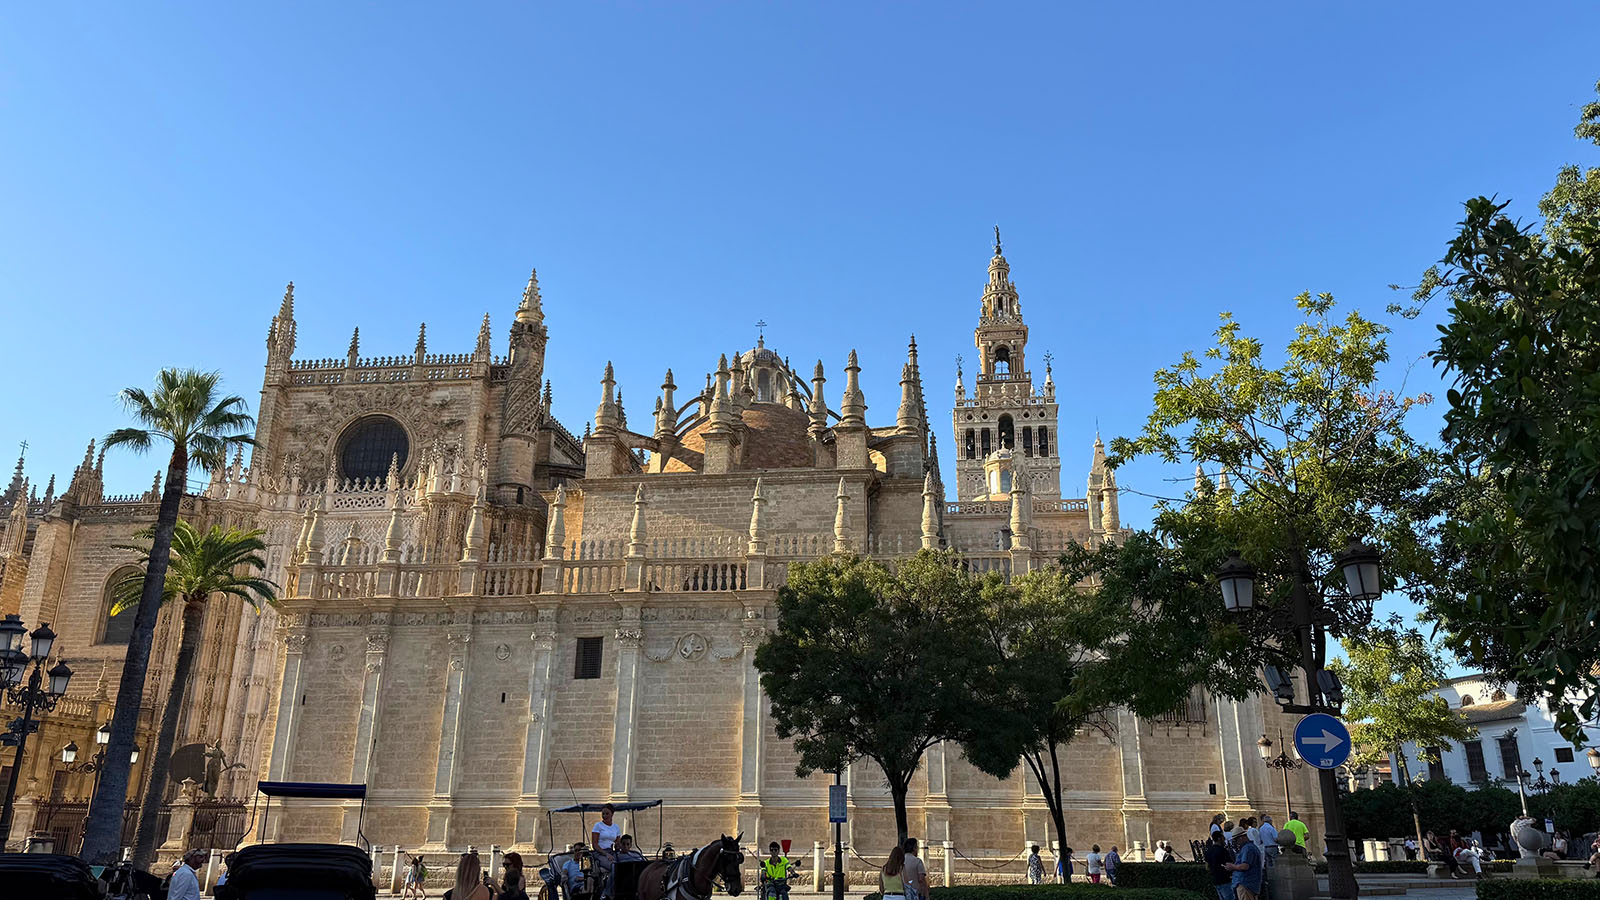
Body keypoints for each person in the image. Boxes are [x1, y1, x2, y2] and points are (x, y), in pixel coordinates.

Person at [592, 803, 621, 899]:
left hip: (612, 852)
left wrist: (618, 845)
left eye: (607, 814)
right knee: (614, 867)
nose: (604, 816)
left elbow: (618, 842)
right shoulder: (598, 826)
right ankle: (606, 892)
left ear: (612, 814)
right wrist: (605, 854)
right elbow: (595, 844)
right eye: (603, 814)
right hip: (600, 852)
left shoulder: (616, 827)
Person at [1226, 829, 1264, 900]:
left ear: (1241, 837)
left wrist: (1232, 867)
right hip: (1246, 883)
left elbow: (1245, 866)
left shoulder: (1248, 848)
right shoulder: (1247, 848)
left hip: (1246, 883)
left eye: (1236, 840)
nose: (1236, 842)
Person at [1203, 832, 1234, 900]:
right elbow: (1230, 865)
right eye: (1223, 837)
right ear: (1219, 838)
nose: (1224, 838)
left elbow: (1207, 867)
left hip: (1215, 880)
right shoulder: (1223, 851)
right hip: (1225, 880)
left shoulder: (1208, 851)